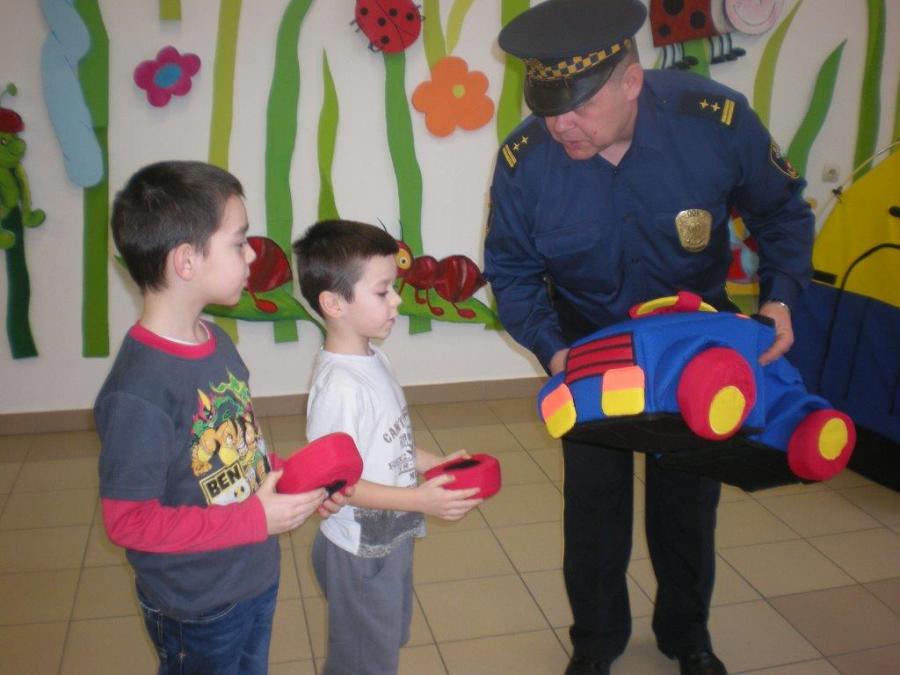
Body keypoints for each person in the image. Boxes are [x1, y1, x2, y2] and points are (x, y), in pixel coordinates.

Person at [484, 1, 814, 674]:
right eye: (547, 108)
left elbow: (782, 213)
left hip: (695, 349)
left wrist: (780, 300)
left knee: (688, 499)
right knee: (594, 506)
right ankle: (596, 643)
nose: (560, 125)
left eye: (579, 107)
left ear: (631, 81)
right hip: (589, 349)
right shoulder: (527, 160)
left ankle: (686, 634)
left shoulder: (715, 123)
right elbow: (511, 272)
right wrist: (554, 350)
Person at [95, 160, 345, 675]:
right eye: (239, 242)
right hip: (198, 603)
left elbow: (239, 450)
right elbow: (128, 521)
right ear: (186, 261)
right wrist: (255, 519)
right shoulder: (138, 393)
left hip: (252, 571)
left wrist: (296, 484)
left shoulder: (216, 342)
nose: (252, 254)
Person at [293, 220, 483, 675]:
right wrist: (422, 500)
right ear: (334, 303)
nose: (396, 300)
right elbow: (341, 485)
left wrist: (434, 465)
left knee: (383, 638)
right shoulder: (341, 389)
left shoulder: (373, 358)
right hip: (361, 549)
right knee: (364, 660)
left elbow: (389, 440)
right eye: (382, 292)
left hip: (388, 533)